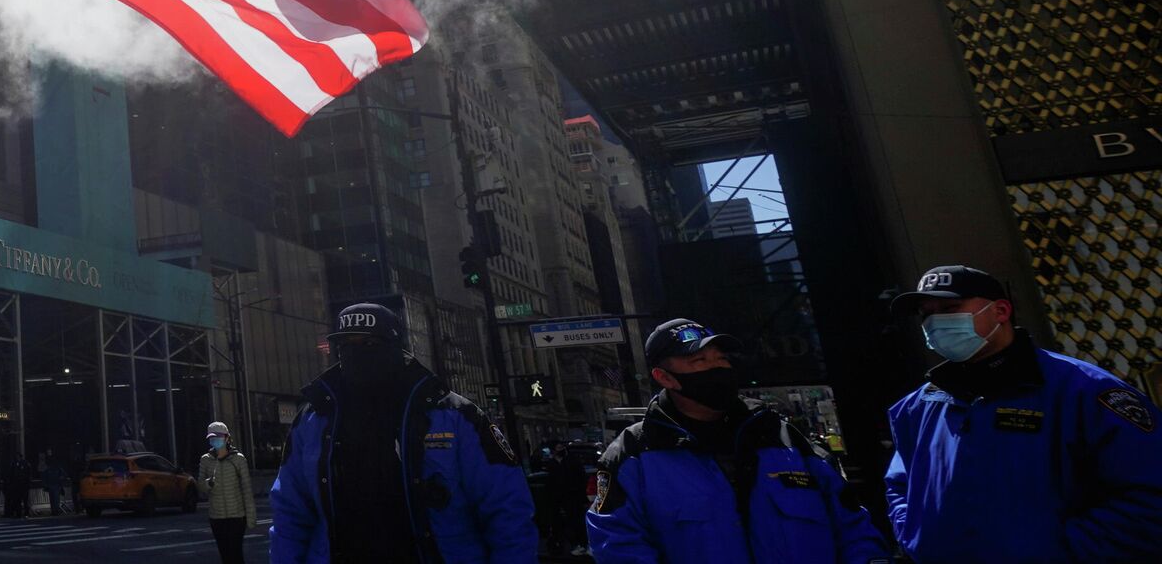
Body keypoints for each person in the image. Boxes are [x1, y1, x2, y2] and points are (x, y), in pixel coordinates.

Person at [884, 265, 1162, 563]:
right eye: (927, 314)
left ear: (1001, 311)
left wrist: (1061, 553)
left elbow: (1149, 495)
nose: (936, 323)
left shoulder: (1086, 391)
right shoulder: (916, 407)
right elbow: (900, 486)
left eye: (951, 308)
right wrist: (917, 538)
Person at [587, 318, 888, 564]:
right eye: (700, 360)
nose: (717, 367)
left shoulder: (784, 438)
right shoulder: (633, 454)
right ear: (665, 377)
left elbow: (852, 525)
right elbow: (618, 546)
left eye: (721, 358)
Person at [270, 302, 536, 563]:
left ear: (395, 347)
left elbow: (507, 511)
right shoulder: (312, 419)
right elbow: (290, 516)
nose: (356, 353)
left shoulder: (455, 416)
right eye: (345, 346)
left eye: (370, 344)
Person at [199, 420, 257, 564]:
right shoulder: (206, 460)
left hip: (236, 516)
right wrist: (208, 484)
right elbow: (200, 486)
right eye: (212, 439)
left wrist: (251, 518)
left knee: (236, 554)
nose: (215, 441)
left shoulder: (238, 459)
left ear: (226, 438)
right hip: (217, 517)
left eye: (218, 438)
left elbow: (246, 490)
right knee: (224, 554)